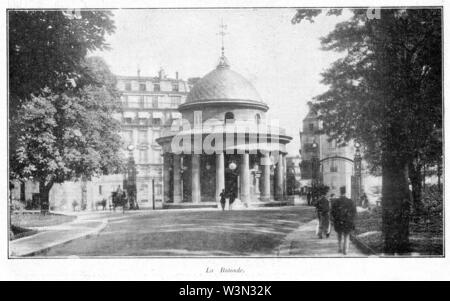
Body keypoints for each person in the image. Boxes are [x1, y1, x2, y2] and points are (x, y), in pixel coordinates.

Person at [331, 187, 357, 255]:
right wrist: (351, 219)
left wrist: (335, 219)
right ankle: (345, 250)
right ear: (346, 192)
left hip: (338, 221)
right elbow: (354, 212)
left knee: (339, 235)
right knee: (346, 235)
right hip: (347, 221)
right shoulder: (350, 201)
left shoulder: (336, 201)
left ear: (340, 192)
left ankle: (339, 248)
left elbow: (332, 212)